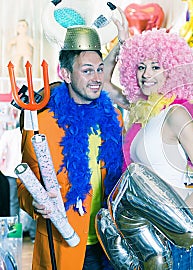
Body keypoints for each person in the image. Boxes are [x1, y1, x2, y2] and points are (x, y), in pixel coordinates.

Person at [16, 9, 129, 269]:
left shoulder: (112, 119)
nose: (97, 78)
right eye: (87, 71)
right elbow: (24, 187)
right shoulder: (41, 122)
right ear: (66, 74)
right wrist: (35, 201)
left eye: (100, 70)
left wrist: (123, 43)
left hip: (111, 245)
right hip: (64, 246)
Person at [119, 28, 193, 269]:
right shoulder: (145, 116)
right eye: (141, 66)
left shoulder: (176, 114)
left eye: (156, 66)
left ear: (173, 71)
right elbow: (109, 90)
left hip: (177, 236)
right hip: (148, 233)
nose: (146, 74)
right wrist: (123, 40)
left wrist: (173, 223)